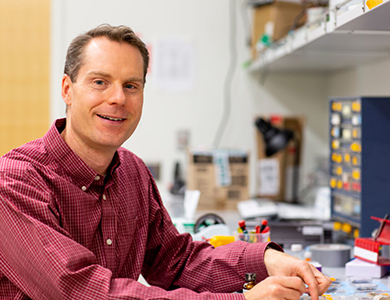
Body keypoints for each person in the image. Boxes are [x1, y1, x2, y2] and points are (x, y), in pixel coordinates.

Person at [0, 24, 331, 300]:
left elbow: (177, 263)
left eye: (131, 85)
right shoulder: (15, 182)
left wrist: (265, 260)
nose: (117, 98)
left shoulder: (132, 172)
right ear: (67, 90)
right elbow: (80, 290)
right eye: (100, 82)